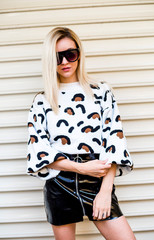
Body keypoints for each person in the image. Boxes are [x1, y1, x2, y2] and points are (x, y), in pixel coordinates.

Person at [27, 27, 136, 240]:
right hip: (59, 183)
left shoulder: (101, 92)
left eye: (71, 54)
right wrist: (80, 167)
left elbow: (115, 141)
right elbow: (39, 152)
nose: (65, 62)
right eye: (57, 57)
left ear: (79, 53)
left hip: (97, 179)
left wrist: (105, 192)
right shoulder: (42, 101)